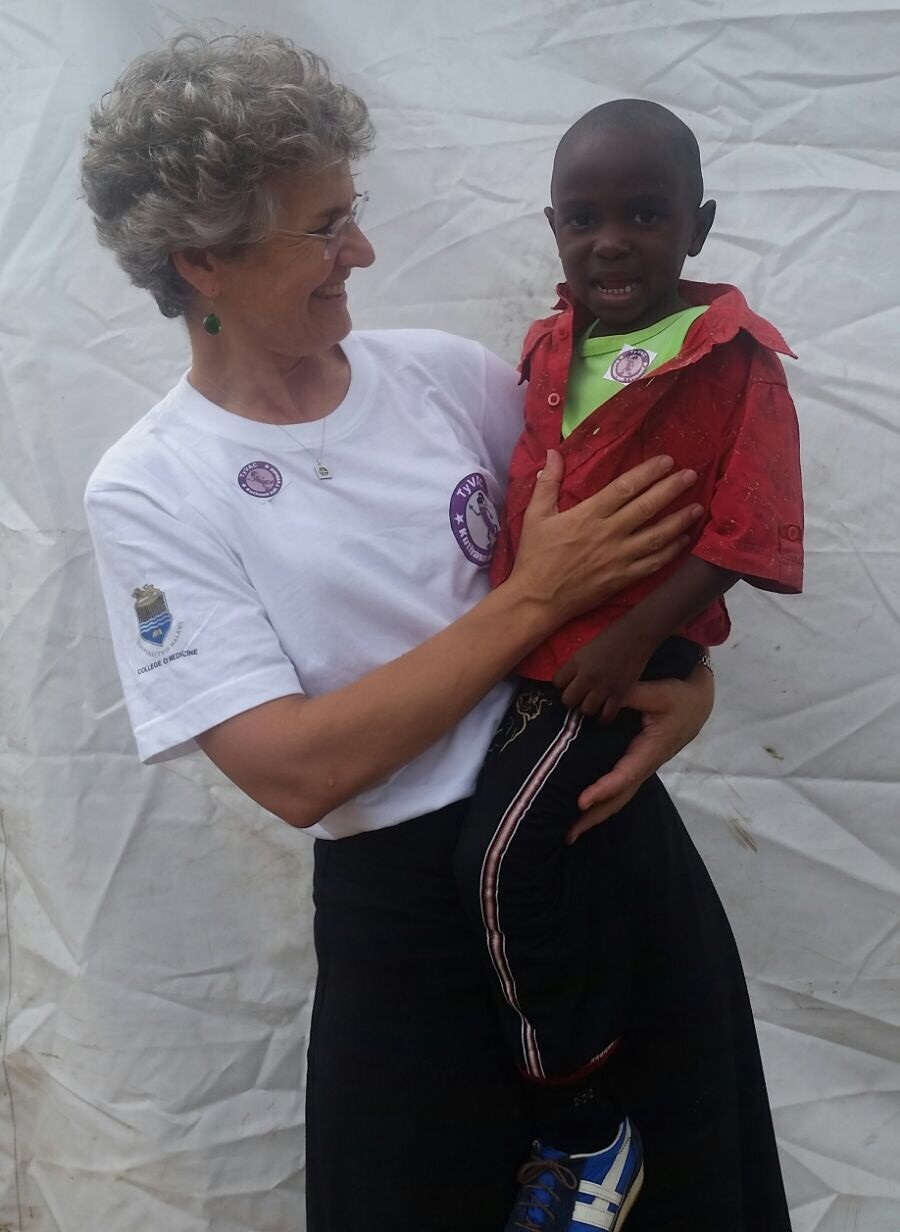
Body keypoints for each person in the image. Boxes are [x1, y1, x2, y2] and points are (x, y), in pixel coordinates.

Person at [77, 33, 779, 1232]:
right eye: (324, 226)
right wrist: (531, 602)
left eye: (350, 211)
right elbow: (298, 769)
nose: (363, 249)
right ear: (204, 259)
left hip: (603, 849)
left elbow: (632, 561)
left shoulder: (452, 381)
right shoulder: (152, 487)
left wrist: (691, 679)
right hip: (406, 922)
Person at [454, 100, 802, 1229]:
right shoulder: (553, 343)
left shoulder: (735, 361)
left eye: (645, 214)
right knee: (545, 864)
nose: (611, 240)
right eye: (583, 216)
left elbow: (748, 532)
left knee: (501, 861)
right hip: (533, 658)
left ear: (697, 226)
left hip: (602, 669)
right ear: (552, 227)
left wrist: (632, 636)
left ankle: (583, 1114)